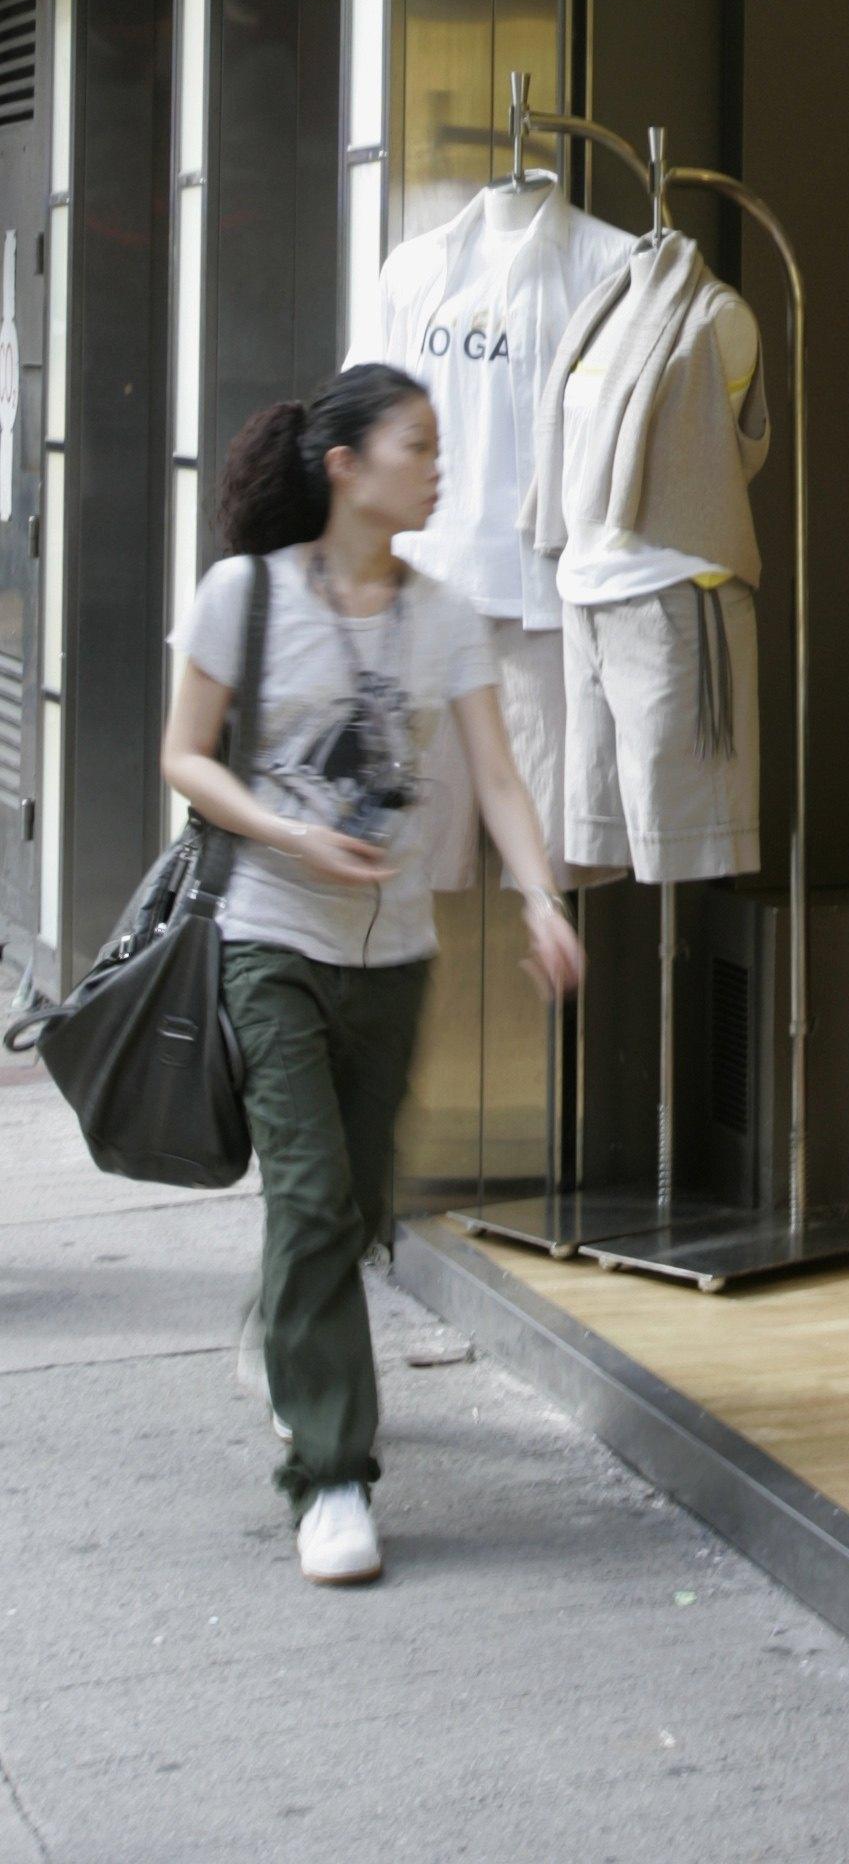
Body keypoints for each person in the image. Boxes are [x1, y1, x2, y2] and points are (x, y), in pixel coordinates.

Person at [161, 365, 582, 1590]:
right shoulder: (243, 596)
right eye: (419, 446)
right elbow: (187, 757)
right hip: (269, 936)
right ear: (345, 465)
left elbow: (497, 777)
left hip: (395, 955)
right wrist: (288, 834)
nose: (439, 469)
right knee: (308, 1197)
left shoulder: (444, 615)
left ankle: (286, 1325)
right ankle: (332, 1475)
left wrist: (542, 899)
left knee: (351, 1210)